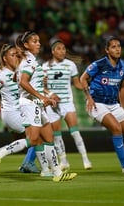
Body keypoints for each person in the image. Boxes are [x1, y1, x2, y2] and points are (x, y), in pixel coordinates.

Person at [80, 36, 124, 175]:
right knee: (117, 129)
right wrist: (89, 97)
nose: (117, 49)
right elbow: (83, 78)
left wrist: (122, 105)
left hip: (113, 104)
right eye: (113, 47)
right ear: (107, 50)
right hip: (97, 103)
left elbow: (123, 86)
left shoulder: (123, 65)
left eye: (119, 46)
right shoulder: (99, 64)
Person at [14, 31, 77, 182]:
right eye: (34, 41)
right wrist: (42, 96)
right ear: (26, 45)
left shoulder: (31, 61)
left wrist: (46, 93)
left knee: (48, 137)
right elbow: (23, 82)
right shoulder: (29, 62)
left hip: (35, 103)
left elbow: (23, 81)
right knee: (34, 139)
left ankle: (52, 172)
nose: (38, 43)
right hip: (31, 104)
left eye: (38, 41)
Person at [0, 44, 40, 174]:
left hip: (20, 112)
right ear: (5, 58)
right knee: (37, 136)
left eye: (17, 54)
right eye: (12, 55)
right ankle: (26, 163)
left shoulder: (21, 71)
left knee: (33, 138)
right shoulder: (2, 74)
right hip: (12, 113)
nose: (16, 57)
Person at [42, 39, 92, 171]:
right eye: (58, 48)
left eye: (64, 48)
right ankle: (63, 161)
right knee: (57, 134)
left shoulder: (70, 65)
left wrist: (87, 88)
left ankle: (85, 159)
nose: (62, 51)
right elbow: (42, 87)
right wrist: (51, 93)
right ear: (53, 51)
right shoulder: (45, 67)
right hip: (51, 104)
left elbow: (76, 83)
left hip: (67, 102)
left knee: (75, 132)